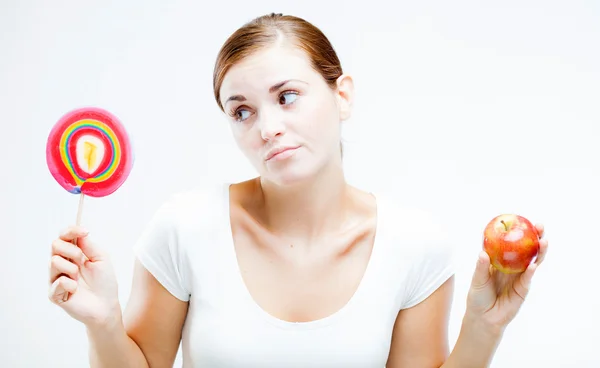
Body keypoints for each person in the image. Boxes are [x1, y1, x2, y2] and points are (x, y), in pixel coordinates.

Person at [48, 13, 549, 368]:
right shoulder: (185, 228)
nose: (267, 127)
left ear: (342, 94)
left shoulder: (415, 245)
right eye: (241, 110)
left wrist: (485, 329)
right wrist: (104, 321)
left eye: (287, 96)